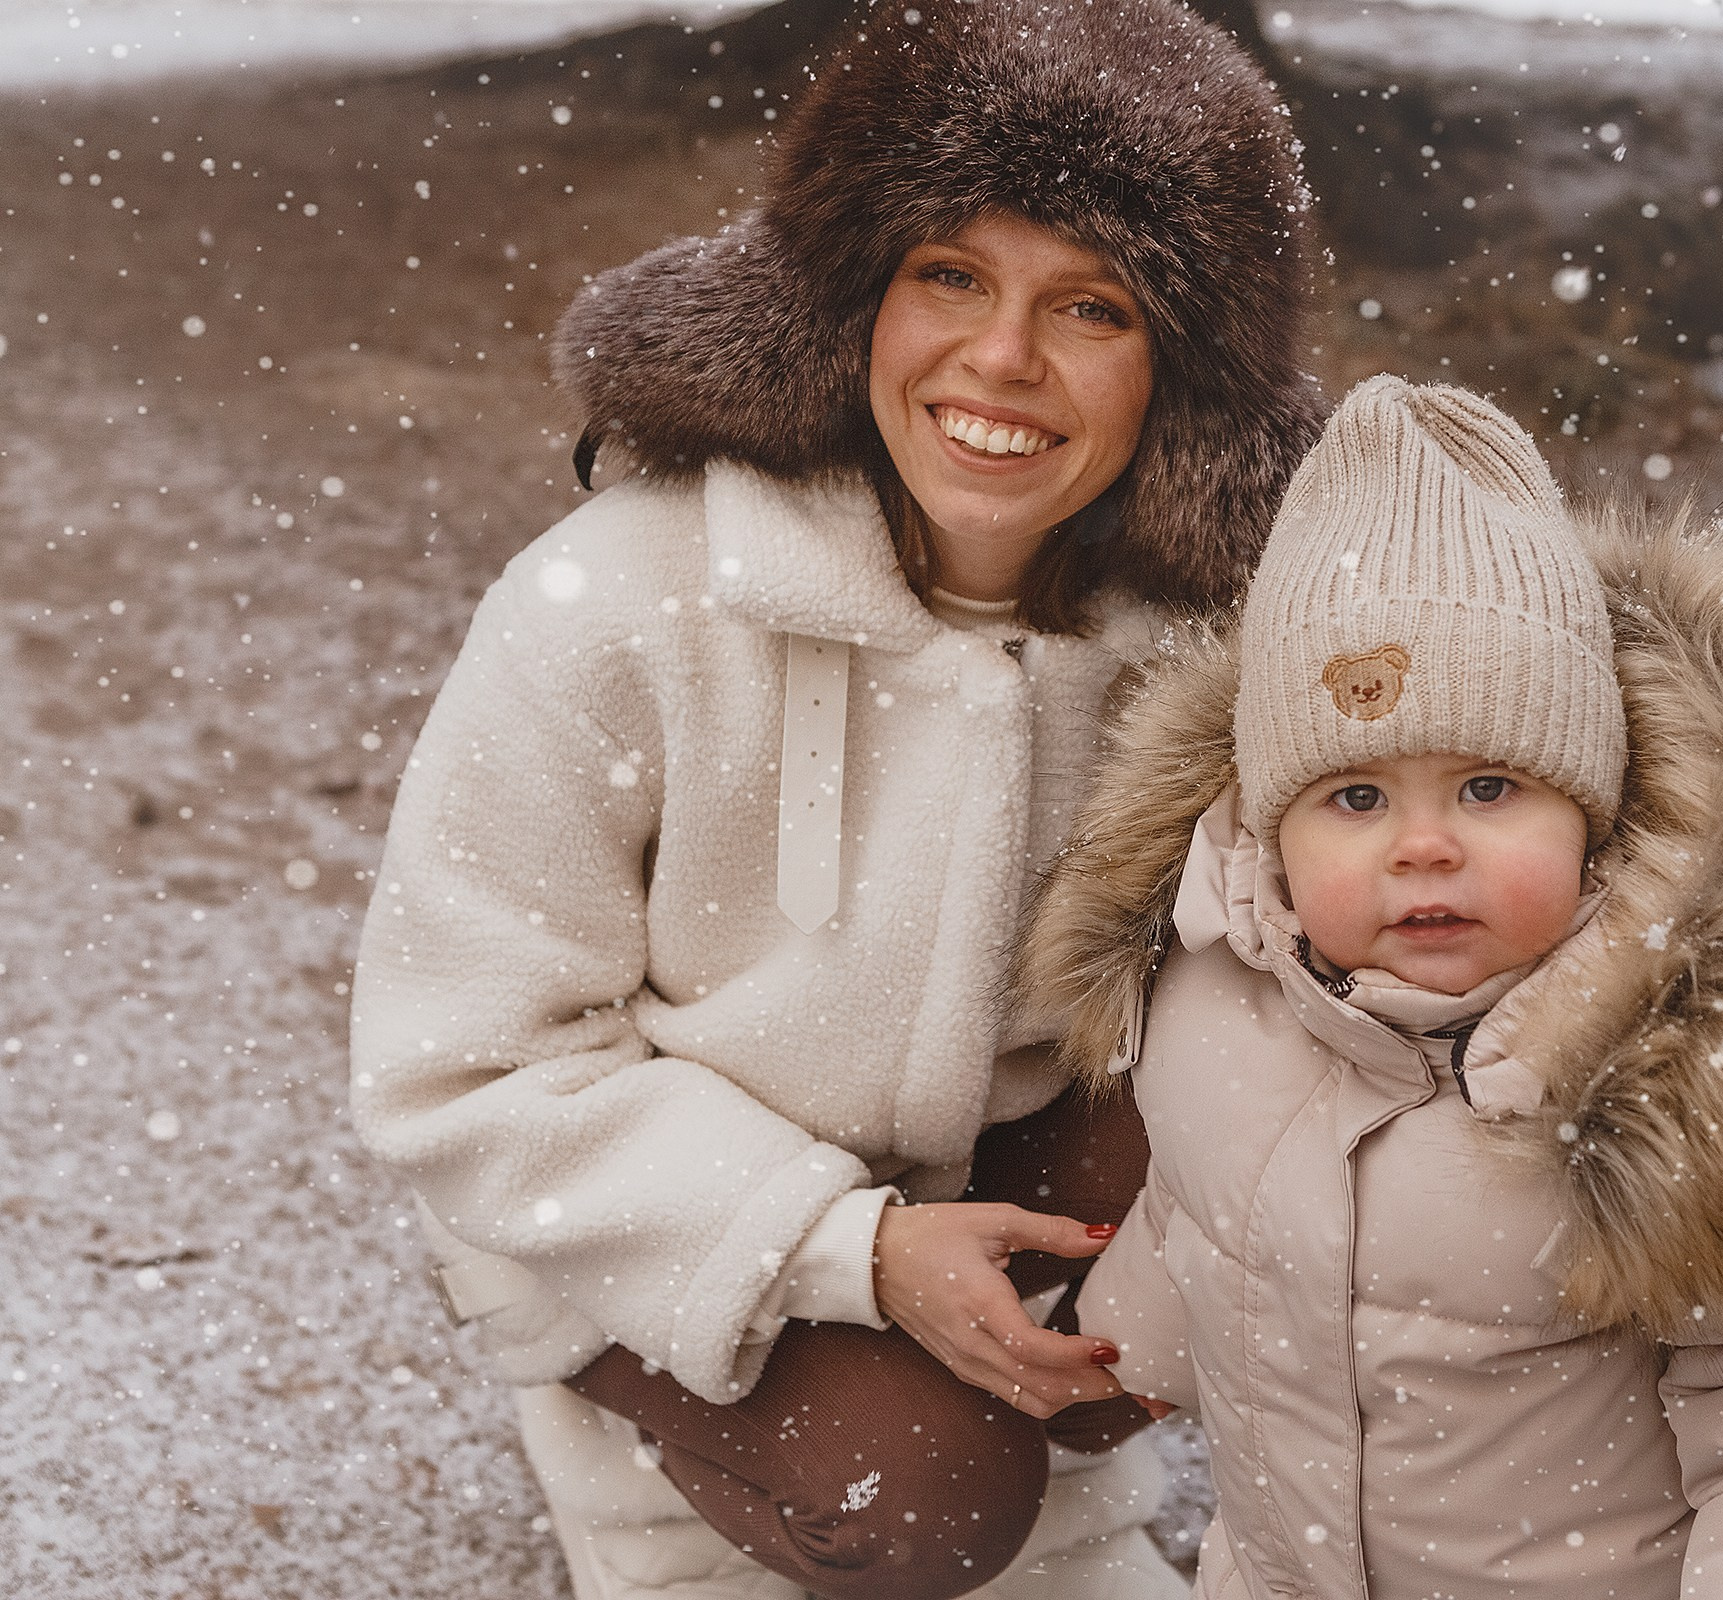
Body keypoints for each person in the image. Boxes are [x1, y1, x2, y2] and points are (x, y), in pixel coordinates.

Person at [346, 2, 1322, 1596]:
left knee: (1302, 1140)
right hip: (652, 1190)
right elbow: (464, 1065)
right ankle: (698, 1431)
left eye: (1093, 306)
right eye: (952, 276)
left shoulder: (1198, 646)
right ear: (853, 294)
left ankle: (1014, 1400)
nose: (1001, 360)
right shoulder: (618, 601)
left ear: (1184, 373)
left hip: (992, 1156)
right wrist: (844, 1252)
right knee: (925, 1501)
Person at [1017, 376, 1723, 1599]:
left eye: (1490, 788)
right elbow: (1206, 1213)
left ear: (1594, 809)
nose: (1425, 847)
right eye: (1356, 797)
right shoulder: (1220, 986)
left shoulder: (1700, 1081)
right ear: (1267, 831)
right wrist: (1101, 1356)